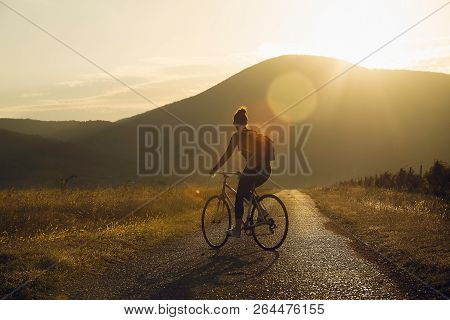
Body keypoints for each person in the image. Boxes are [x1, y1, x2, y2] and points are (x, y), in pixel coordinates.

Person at [209, 106, 271, 237]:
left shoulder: (237, 137)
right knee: (245, 192)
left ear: (235, 124)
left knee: (239, 196)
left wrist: (214, 168)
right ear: (246, 122)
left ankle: (237, 230)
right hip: (266, 170)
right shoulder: (253, 134)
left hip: (256, 169)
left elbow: (227, 155)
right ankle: (262, 212)